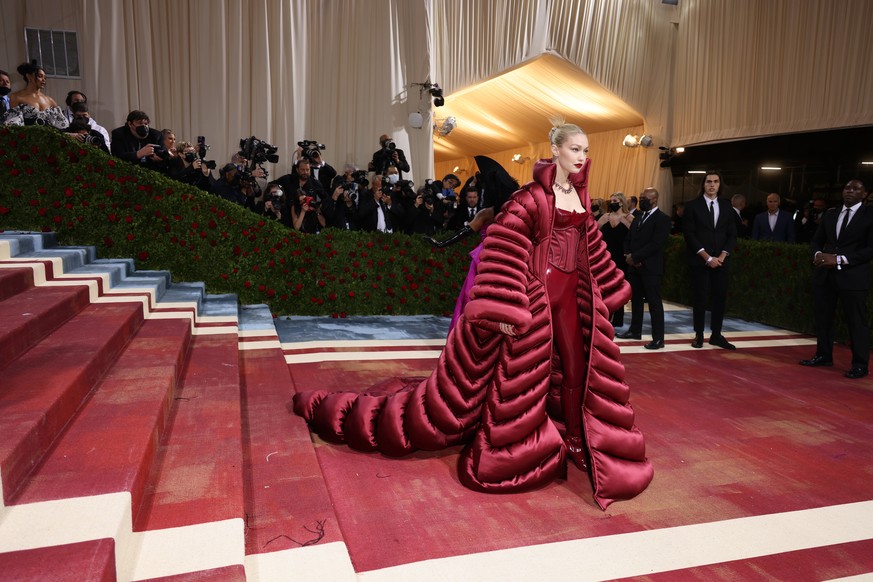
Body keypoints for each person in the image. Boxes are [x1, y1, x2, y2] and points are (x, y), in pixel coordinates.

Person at [293, 119, 653, 510]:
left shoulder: (581, 198)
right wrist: (506, 302)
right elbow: (506, 242)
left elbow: (591, 247)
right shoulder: (531, 197)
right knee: (516, 380)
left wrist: (606, 287)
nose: (581, 157)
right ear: (555, 151)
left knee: (577, 366)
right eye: (574, 149)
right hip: (537, 297)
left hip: (571, 297)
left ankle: (577, 439)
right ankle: (524, 445)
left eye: (585, 150)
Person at [800, 179, 873, 379]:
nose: (850, 191)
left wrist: (840, 259)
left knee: (856, 322)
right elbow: (816, 239)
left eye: (856, 188)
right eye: (847, 188)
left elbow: (870, 249)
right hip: (825, 275)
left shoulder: (870, 215)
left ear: (864, 194)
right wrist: (817, 255)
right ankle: (823, 355)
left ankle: (860, 364)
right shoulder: (831, 214)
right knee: (823, 319)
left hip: (853, 278)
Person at [683, 171, 738, 350]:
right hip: (700, 261)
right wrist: (707, 257)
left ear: (720, 185)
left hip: (721, 261)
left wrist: (722, 256)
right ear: (703, 184)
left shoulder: (727, 206)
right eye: (709, 182)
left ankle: (716, 335)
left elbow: (732, 234)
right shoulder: (692, 206)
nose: (712, 185)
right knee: (700, 298)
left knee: (720, 298)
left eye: (715, 181)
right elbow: (689, 234)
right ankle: (699, 335)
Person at [620, 187, 672, 349]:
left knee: (654, 303)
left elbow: (656, 244)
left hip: (650, 268)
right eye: (641, 197)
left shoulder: (662, 219)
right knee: (635, 300)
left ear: (654, 200)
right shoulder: (639, 216)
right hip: (634, 267)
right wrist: (628, 254)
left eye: (644, 198)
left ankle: (658, 338)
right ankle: (635, 330)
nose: (641, 200)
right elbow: (629, 238)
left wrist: (635, 258)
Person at [598, 192, 634, 329]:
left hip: (621, 258)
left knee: (619, 287)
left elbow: (636, 234)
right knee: (605, 287)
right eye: (611, 200)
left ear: (621, 202)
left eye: (615, 200)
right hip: (606, 258)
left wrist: (624, 222)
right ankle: (606, 315)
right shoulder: (605, 217)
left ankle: (618, 318)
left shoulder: (629, 218)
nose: (612, 202)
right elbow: (593, 230)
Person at [3, 61, 68, 129]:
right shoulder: (16, 97)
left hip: (50, 137)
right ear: (29, 76)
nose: (43, 80)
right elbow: (14, 125)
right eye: (40, 76)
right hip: (28, 137)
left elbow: (61, 125)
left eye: (45, 78)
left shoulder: (50, 100)